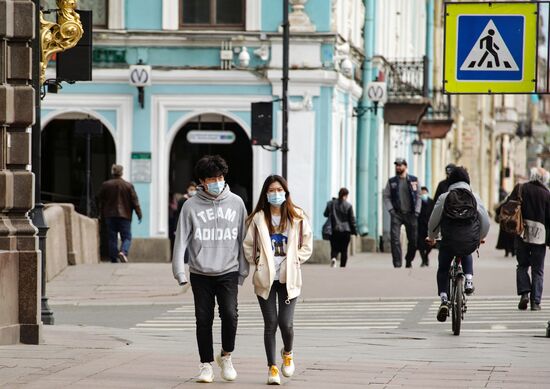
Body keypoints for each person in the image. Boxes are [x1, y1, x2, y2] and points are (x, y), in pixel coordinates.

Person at [172, 155, 249, 383]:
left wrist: (243, 271)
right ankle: (205, 364)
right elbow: (181, 241)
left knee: (230, 314)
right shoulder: (190, 206)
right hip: (200, 272)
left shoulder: (236, 203)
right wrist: (179, 272)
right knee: (203, 319)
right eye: (211, 178)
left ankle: (226, 355)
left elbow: (242, 239)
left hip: (228, 270)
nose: (217, 181)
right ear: (202, 181)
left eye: (220, 177)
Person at [243, 175, 313, 385]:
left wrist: (294, 260)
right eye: (271, 190)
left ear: (285, 192)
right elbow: (248, 246)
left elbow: (307, 245)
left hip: (289, 277)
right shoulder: (258, 218)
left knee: (286, 323)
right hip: (266, 278)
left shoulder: (297, 217)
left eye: (279, 190)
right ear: (266, 193)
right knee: (270, 324)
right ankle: (272, 368)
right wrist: (259, 261)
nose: (275, 194)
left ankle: (288, 352)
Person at [426, 166, 490, 322]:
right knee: (467, 249)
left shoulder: (444, 197)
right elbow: (485, 221)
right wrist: (480, 237)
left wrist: (432, 237)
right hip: (468, 239)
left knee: (443, 268)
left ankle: (443, 299)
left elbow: (434, 220)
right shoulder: (474, 196)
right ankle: (468, 280)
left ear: (450, 181)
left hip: (448, 240)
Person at [507, 167, 550, 311]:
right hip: (540, 237)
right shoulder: (546, 194)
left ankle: (524, 293)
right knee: (538, 270)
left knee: (522, 265)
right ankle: (535, 302)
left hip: (521, 233)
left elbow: (508, 205)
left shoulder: (521, 188)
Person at [97, 164, 142, 263]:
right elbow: (135, 201)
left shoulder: (106, 185)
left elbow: (99, 199)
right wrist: (139, 214)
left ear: (113, 172)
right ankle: (123, 251)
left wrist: (100, 213)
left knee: (112, 237)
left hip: (110, 215)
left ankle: (114, 258)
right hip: (125, 216)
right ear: (122, 173)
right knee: (126, 237)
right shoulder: (128, 186)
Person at [383, 158, 421, 268]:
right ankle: (397, 264)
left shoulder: (414, 180)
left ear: (405, 166)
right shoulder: (392, 182)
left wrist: (417, 211)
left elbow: (419, 196)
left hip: (411, 214)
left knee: (413, 241)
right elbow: (386, 196)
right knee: (395, 239)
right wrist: (391, 210)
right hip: (397, 214)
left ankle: (409, 259)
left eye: (400, 165)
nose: (398, 167)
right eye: (396, 165)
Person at [324, 188, 357, 268]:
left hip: (334, 229)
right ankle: (342, 266)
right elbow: (352, 220)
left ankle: (334, 258)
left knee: (334, 248)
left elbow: (325, 214)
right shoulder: (348, 206)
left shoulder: (331, 203)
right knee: (344, 250)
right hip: (346, 231)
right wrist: (354, 231)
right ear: (346, 195)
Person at [417, 186, 435, 267]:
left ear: (427, 193)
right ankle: (424, 260)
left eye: (425, 193)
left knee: (430, 245)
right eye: (422, 193)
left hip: (429, 227)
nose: (423, 194)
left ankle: (426, 256)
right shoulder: (418, 202)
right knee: (420, 245)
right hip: (420, 226)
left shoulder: (432, 202)